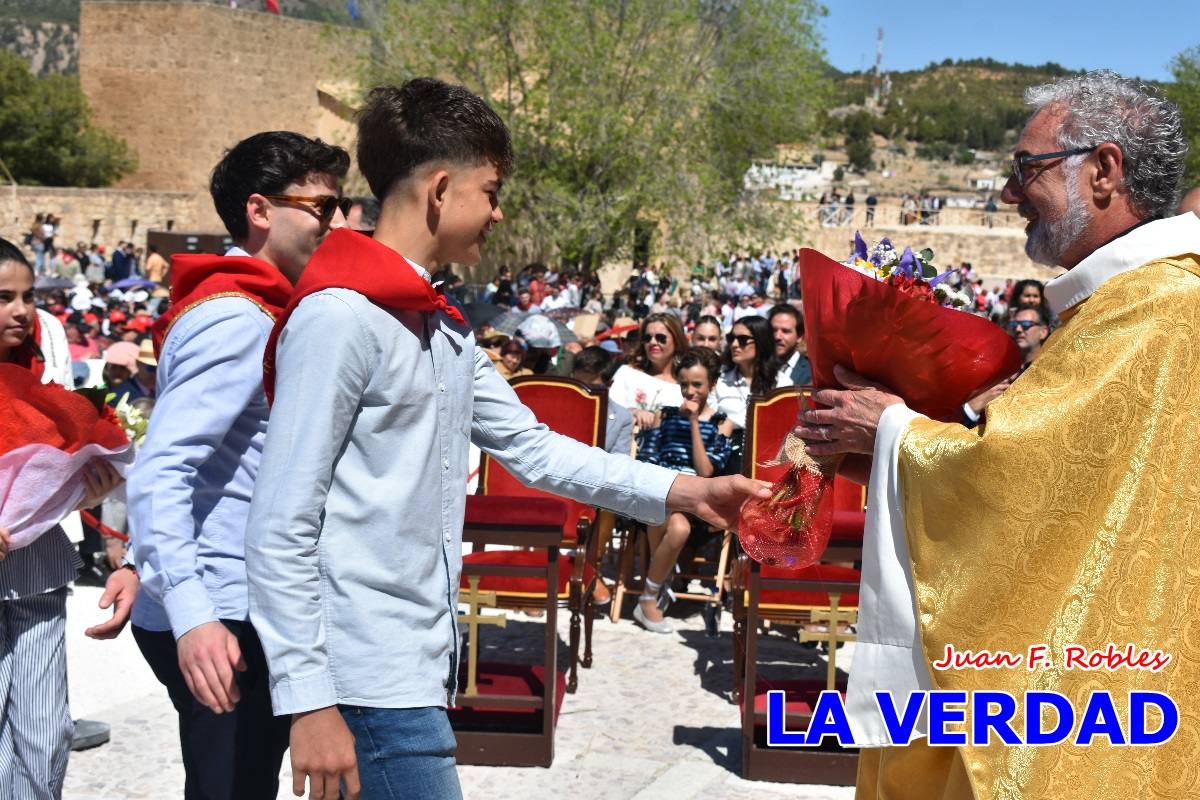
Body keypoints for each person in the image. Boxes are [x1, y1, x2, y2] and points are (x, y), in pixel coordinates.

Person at [244, 78, 769, 800]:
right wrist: (308, 700)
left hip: (415, 663)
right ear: (440, 189)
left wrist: (689, 491)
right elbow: (280, 521)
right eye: (489, 192)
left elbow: (533, 447)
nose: (497, 213)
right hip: (364, 677)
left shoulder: (440, 325)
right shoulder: (340, 319)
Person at [796, 71, 1200, 799]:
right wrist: (881, 456)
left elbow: (1012, 475)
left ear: (1104, 170)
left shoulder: (1156, 308)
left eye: (1026, 167)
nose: (1010, 194)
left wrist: (889, 428)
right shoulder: (1127, 302)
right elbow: (1065, 493)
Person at [114, 131, 351, 799]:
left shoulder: (250, 304)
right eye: (321, 207)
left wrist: (141, 564)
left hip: (228, 600)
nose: (335, 223)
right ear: (260, 210)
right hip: (223, 610)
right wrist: (193, 614)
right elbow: (164, 467)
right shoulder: (238, 317)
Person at [0, 238, 122, 798]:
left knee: (46, 732)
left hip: (37, 569)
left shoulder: (45, 359)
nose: (21, 310)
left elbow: (54, 468)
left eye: (27, 296)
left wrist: (89, 487)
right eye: (4, 298)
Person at [633, 347, 733, 633]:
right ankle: (653, 590)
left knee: (678, 525)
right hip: (662, 490)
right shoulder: (664, 415)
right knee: (673, 523)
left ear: (712, 385)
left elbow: (706, 471)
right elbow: (648, 459)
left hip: (696, 500)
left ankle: (651, 592)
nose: (690, 391)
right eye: (684, 384)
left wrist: (693, 423)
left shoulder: (721, 423)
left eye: (697, 384)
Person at [960, 305, 1051, 427]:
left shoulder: (1047, 376)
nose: (1018, 329)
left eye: (1026, 324)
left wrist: (972, 409)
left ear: (1043, 332)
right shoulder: (1000, 368)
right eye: (1014, 324)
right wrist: (973, 408)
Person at [608, 312, 689, 430]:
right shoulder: (626, 373)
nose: (653, 342)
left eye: (661, 338)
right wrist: (633, 412)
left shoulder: (685, 386)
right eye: (647, 338)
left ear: (676, 341)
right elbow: (608, 410)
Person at [571, 345, 632, 457]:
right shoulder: (557, 405)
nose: (584, 392)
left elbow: (619, 461)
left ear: (609, 384)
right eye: (578, 385)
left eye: (592, 387)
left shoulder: (622, 417)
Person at [768, 303, 811, 386]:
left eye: (785, 331)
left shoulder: (811, 371)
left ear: (799, 337)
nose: (777, 336)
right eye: (773, 330)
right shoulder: (756, 367)